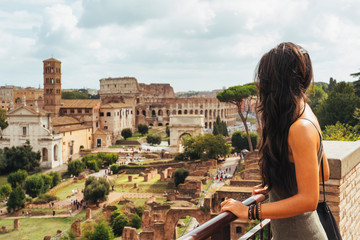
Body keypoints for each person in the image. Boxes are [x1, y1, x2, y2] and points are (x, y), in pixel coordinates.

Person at [220, 42, 330, 240]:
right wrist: (277, 187)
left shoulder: (300, 128)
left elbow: (309, 200)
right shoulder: (304, 113)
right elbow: (324, 172)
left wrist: (250, 212)